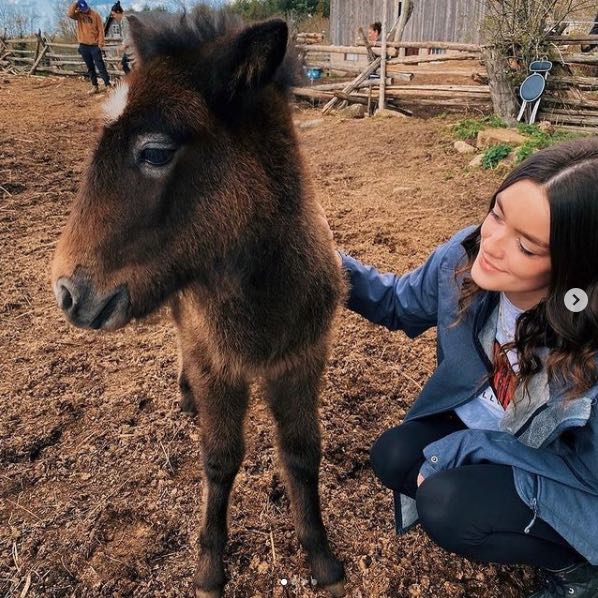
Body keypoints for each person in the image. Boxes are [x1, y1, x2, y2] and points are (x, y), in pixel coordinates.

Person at [334, 139, 598, 597]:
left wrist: (472, 447)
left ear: (574, 268)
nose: (491, 244)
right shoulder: (464, 256)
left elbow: (588, 473)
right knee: (394, 456)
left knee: (446, 506)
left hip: (567, 469)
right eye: (497, 214)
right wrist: (323, 258)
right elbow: (397, 303)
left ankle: (578, 570)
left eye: (527, 247)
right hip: (491, 425)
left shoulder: (588, 340)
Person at [67, 0, 111, 94]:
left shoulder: (96, 15)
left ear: (87, 6)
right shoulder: (78, 15)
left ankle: (108, 85)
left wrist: (100, 44)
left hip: (94, 46)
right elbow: (70, 14)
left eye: (86, 8)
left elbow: (101, 30)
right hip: (83, 46)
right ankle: (95, 86)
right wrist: (75, 3)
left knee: (100, 66)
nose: (85, 10)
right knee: (90, 67)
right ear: (79, 8)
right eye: (83, 9)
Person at [109, 1, 131, 74]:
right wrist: (123, 44)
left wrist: (123, 45)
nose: (113, 17)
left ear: (118, 12)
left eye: (113, 14)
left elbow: (128, 35)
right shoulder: (123, 21)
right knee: (123, 65)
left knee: (124, 65)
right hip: (129, 47)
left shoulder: (125, 20)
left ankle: (134, 82)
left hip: (132, 47)